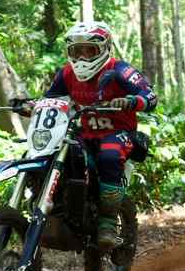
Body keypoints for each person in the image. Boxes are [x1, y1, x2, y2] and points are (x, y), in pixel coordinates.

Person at [32, 21, 157, 249]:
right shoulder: (66, 73)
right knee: (54, 154)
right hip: (83, 134)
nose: (82, 57)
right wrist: (29, 104)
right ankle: (56, 208)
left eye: (89, 50)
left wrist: (131, 101)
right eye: (76, 51)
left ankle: (108, 222)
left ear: (104, 48)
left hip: (118, 133)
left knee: (109, 156)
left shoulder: (120, 70)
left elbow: (150, 96)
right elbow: (50, 99)